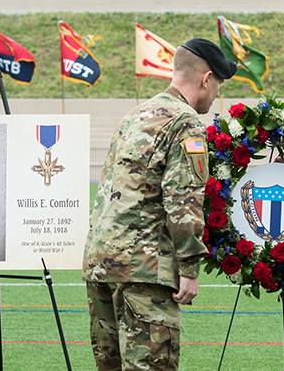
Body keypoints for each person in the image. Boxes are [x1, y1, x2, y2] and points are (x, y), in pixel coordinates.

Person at [81, 38, 236, 371]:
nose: (217, 94)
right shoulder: (186, 122)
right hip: (144, 269)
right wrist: (190, 269)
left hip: (102, 264)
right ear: (206, 79)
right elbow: (183, 198)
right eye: (218, 85)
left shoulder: (135, 115)